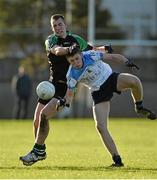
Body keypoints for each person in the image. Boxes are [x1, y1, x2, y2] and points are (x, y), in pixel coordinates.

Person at [19, 14, 112, 166]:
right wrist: (69, 48)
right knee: (36, 120)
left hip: (66, 86)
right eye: (54, 25)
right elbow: (57, 51)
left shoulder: (76, 39)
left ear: (65, 24)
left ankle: (37, 152)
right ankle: (40, 150)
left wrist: (105, 48)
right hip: (52, 85)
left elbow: (91, 49)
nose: (58, 27)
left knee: (44, 115)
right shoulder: (51, 40)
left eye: (60, 24)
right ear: (52, 28)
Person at [57, 47, 156, 167]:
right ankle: (117, 160)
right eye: (71, 61)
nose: (75, 63)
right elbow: (70, 94)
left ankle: (139, 106)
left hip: (111, 78)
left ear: (81, 55)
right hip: (98, 91)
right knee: (100, 127)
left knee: (134, 81)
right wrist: (64, 103)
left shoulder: (90, 55)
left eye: (77, 59)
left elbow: (112, 57)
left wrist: (126, 61)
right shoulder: (71, 74)